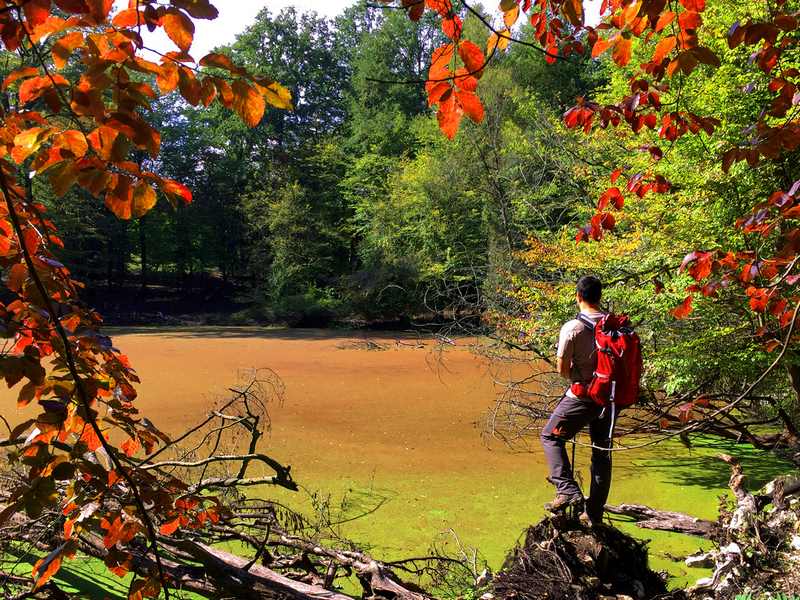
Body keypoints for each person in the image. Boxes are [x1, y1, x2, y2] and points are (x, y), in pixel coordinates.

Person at [540, 275, 613, 525]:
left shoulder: (573, 327)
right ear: (600, 296)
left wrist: (579, 376)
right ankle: (593, 514)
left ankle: (567, 491)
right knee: (601, 452)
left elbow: (562, 369)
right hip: (611, 400)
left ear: (578, 296)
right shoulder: (616, 326)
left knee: (550, 436)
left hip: (583, 396)